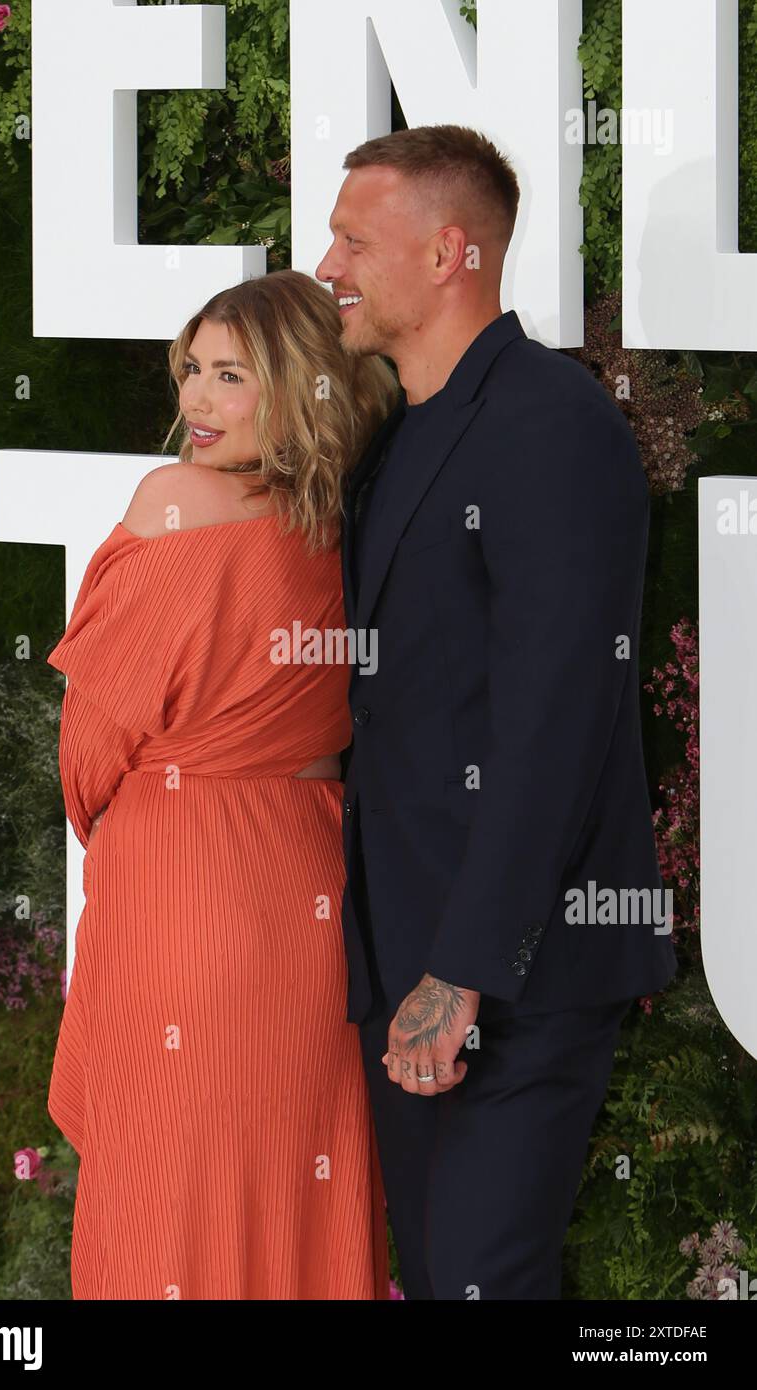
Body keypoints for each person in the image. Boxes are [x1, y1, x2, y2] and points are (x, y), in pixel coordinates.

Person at [316, 124, 678, 1300]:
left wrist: (462, 970)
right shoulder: (400, 433)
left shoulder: (548, 422)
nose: (329, 267)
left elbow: (556, 719)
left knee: (481, 1276)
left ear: (446, 255)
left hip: (514, 971)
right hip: (404, 959)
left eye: (353, 240)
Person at [46, 268, 400, 1299]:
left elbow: (87, 752)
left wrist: (141, 813)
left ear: (295, 387)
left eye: (229, 376)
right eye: (190, 369)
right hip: (312, 890)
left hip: (186, 877)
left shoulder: (173, 505)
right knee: (291, 1179)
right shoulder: (356, 531)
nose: (195, 400)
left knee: (168, 1183)